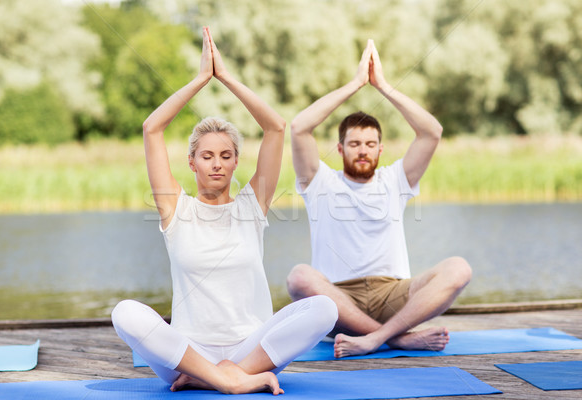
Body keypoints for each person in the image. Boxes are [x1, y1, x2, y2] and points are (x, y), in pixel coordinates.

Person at [111, 27, 338, 395]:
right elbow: (152, 128)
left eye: (226, 155)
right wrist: (202, 78)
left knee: (325, 309)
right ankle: (229, 382)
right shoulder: (175, 209)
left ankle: (225, 376)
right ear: (192, 163)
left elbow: (275, 127)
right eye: (207, 155)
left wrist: (226, 77)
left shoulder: (252, 205)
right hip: (188, 355)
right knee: (124, 313)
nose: (217, 164)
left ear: (235, 163)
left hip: (254, 350)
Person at [286, 39, 471, 358]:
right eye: (354, 143)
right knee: (299, 277)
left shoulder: (396, 179)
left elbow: (432, 132)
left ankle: (375, 337)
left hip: (393, 295)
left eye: (370, 144)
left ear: (380, 150)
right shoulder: (319, 182)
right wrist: (356, 84)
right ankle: (397, 340)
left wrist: (383, 86)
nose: (363, 150)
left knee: (459, 269)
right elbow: (300, 127)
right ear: (340, 149)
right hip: (338, 302)